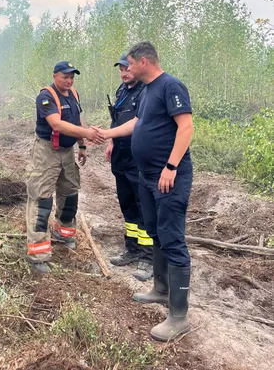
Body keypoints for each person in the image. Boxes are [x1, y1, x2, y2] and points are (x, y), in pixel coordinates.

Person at [99, 42, 194, 341]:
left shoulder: (170, 86)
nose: (126, 68)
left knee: (172, 237)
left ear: (143, 61)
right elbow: (137, 123)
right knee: (153, 229)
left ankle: (179, 316)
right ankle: (161, 288)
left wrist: (171, 166)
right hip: (147, 176)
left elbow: (186, 127)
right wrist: (107, 133)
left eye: (129, 63)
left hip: (168, 177)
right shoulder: (147, 90)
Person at [26, 61, 104, 274]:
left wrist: (82, 144)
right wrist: (87, 132)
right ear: (54, 76)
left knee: (70, 195)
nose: (69, 80)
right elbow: (57, 124)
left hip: (68, 152)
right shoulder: (46, 97)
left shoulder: (73, 94)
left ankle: (64, 233)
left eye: (72, 77)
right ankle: (38, 254)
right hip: (46, 153)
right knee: (42, 201)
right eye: (64, 76)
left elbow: (76, 119)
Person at [106, 53, 153, 281]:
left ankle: (148, 257)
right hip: (120, 155)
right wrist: (111, 141)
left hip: (138, 156)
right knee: (126, 203)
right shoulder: (121, 90)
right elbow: (116, 118)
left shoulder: (146, 91)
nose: (124, 73)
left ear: (136, 67)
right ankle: (132, 249)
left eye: (127, 68)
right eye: (121, 69)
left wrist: (108, 134)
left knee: (143, 204)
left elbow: (137, 124)